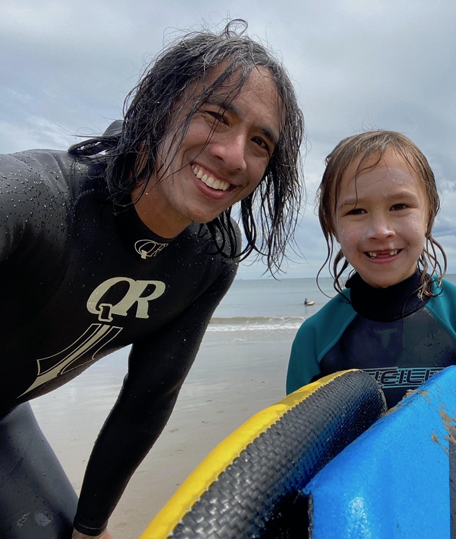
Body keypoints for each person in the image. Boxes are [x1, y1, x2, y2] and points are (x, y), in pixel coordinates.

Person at [0, 20, 303, 539]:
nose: (233, 155)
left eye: (258, 142)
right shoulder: (35, 199)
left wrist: (91, 526)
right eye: (215, 116)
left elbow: (147, 400)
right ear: (161, 107)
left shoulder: (207, 262)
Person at [286, 130, 456, 442]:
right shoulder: (315, 339)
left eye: (400, 206)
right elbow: (300, 444)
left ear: (428, 214)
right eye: (356, 211)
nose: (381, 231)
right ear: (331, 224)